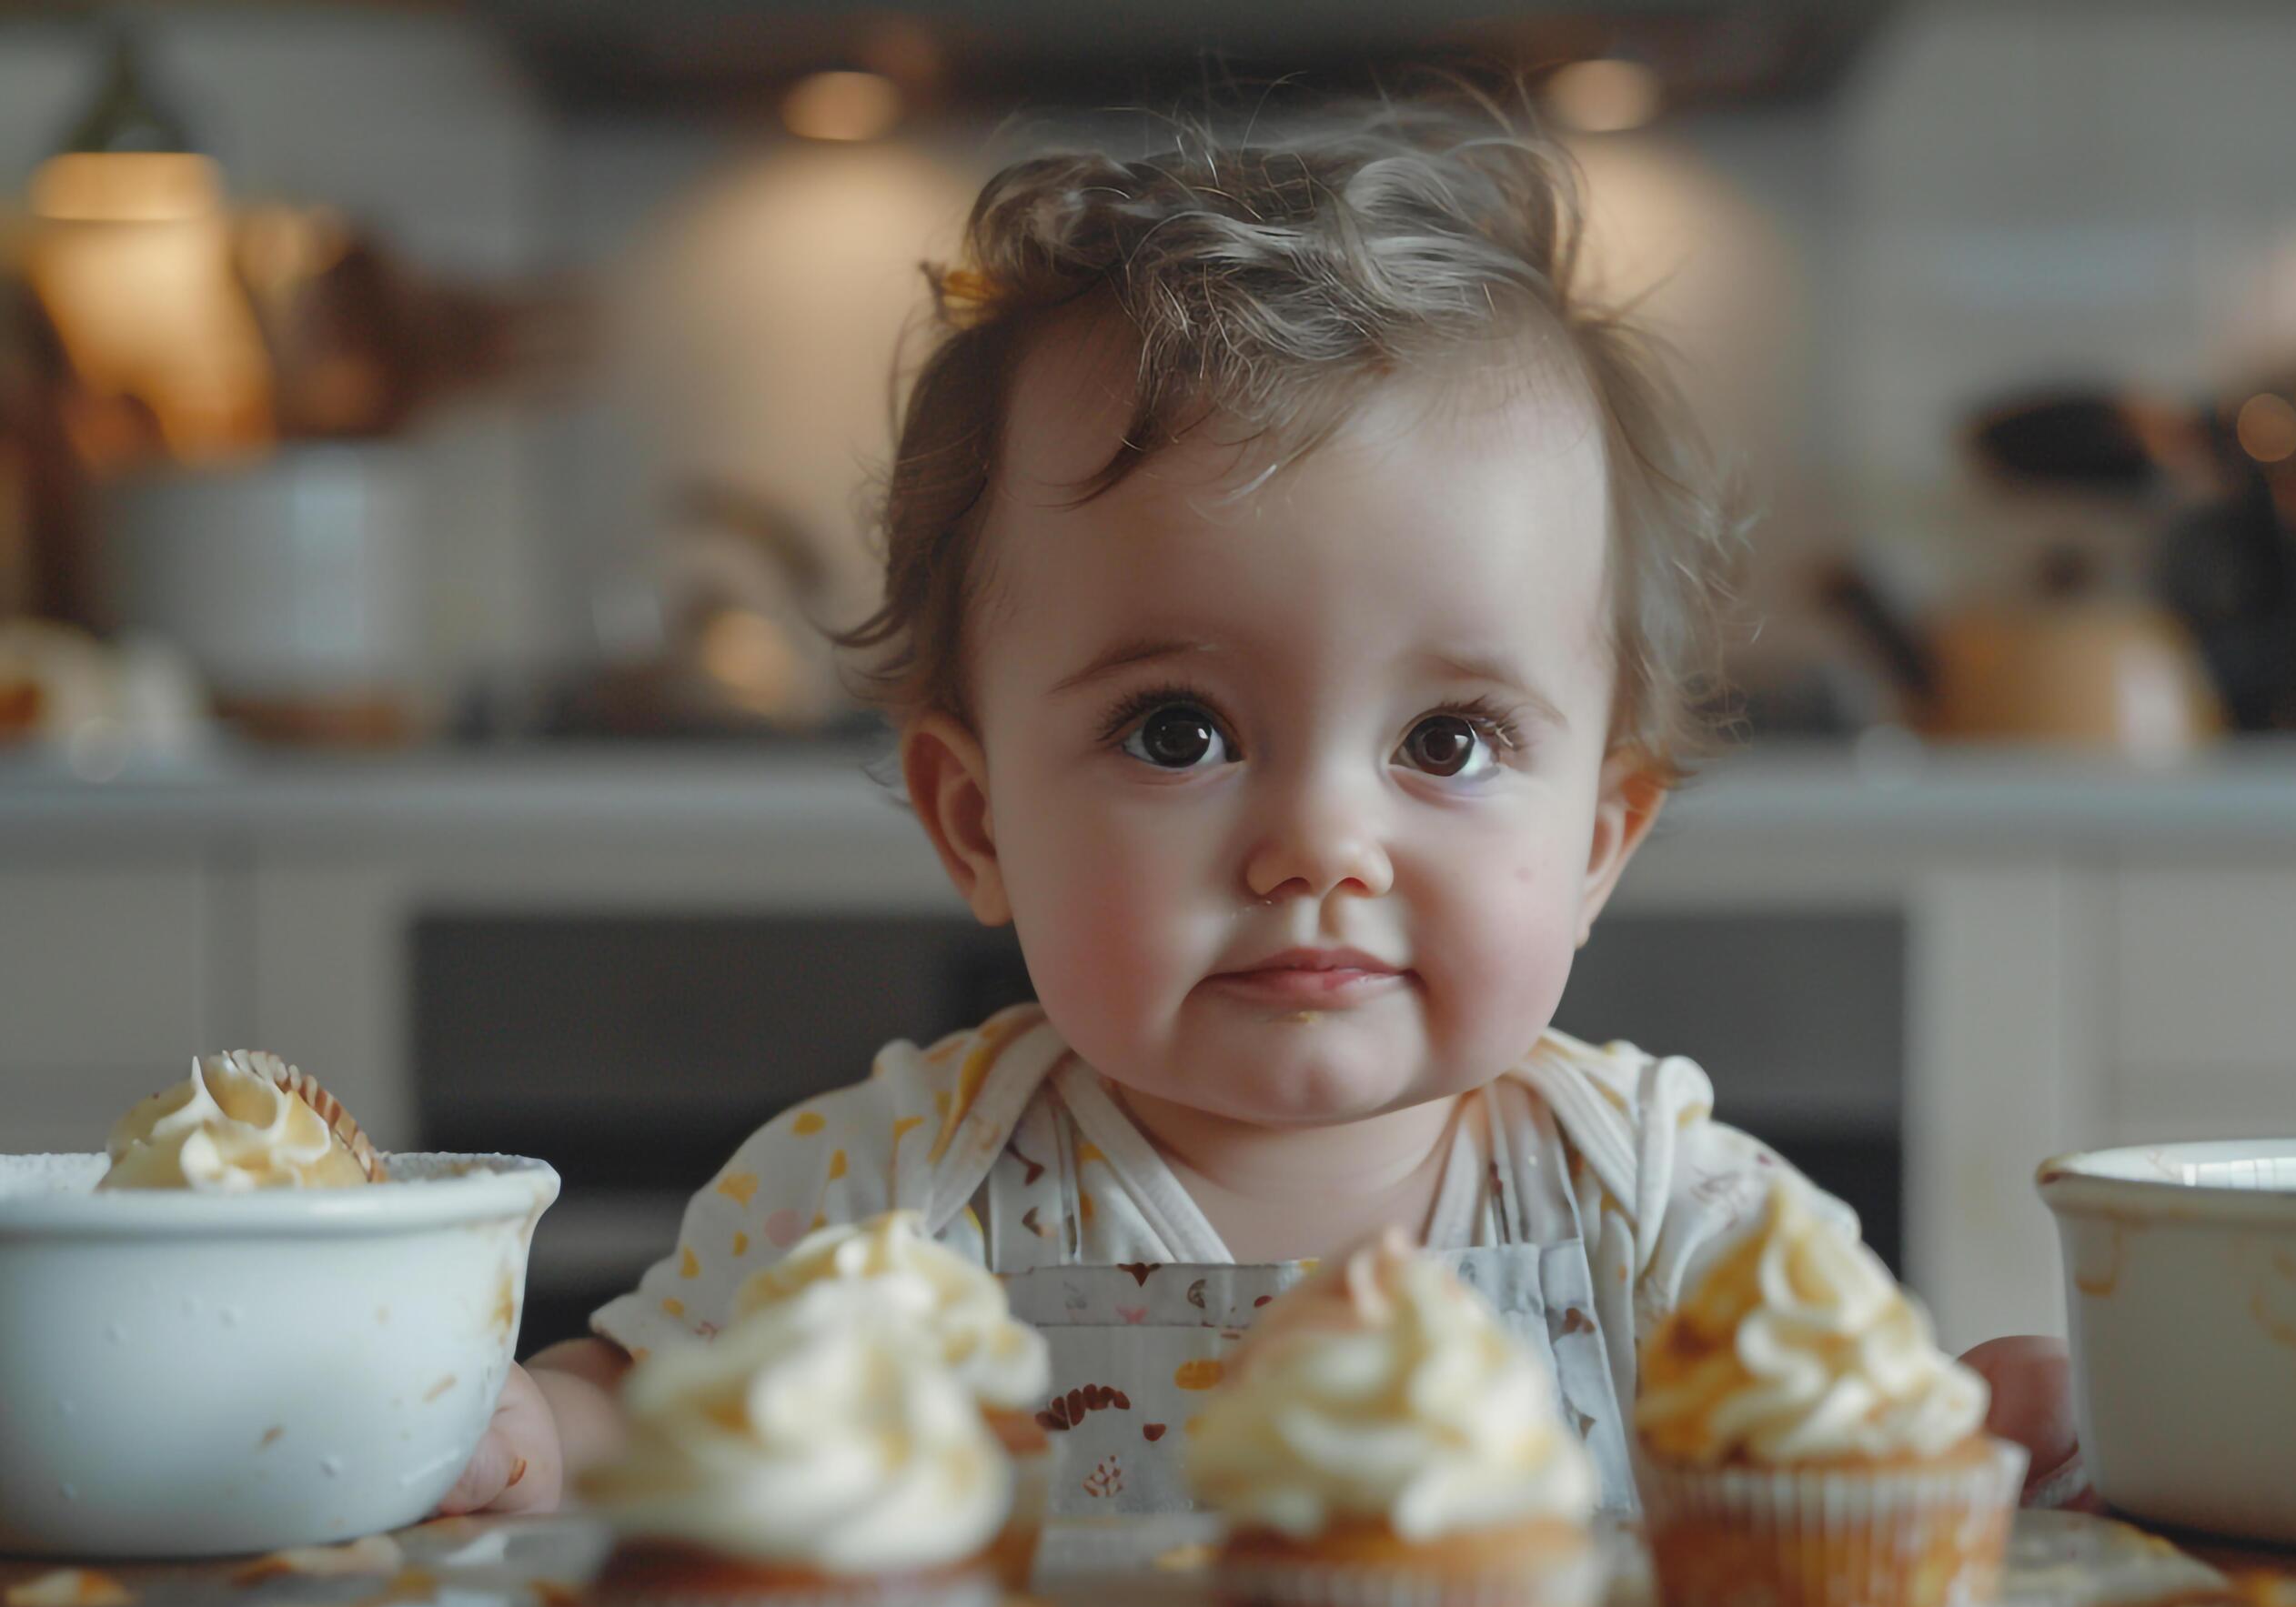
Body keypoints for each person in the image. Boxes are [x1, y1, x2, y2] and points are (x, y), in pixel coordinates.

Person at [438, 89, 2082, 1520]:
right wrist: (528, 1433)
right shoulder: (880, 1203)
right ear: (977, 818)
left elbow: (1856, 1435)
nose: (1320, 847)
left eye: (1446, 742)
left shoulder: (1666, 1211)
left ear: (1596, 844)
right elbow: (634, 1407)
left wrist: (1982, 1423)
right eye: (1178, 731)